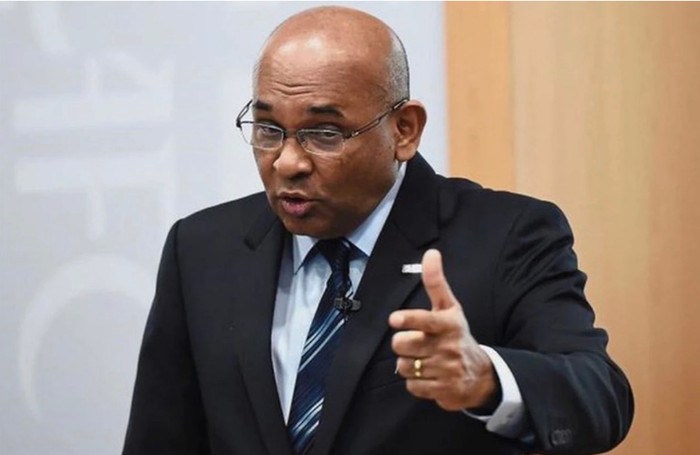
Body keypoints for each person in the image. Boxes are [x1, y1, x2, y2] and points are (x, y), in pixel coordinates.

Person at [123, 6, 633, 455]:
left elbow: (601, 397)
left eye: (324, 133)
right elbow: (160, 439)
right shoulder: (201, 249)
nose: (287, 162)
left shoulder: (507, 237)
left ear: (404, 129)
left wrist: (485, 377)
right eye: (268, 129)